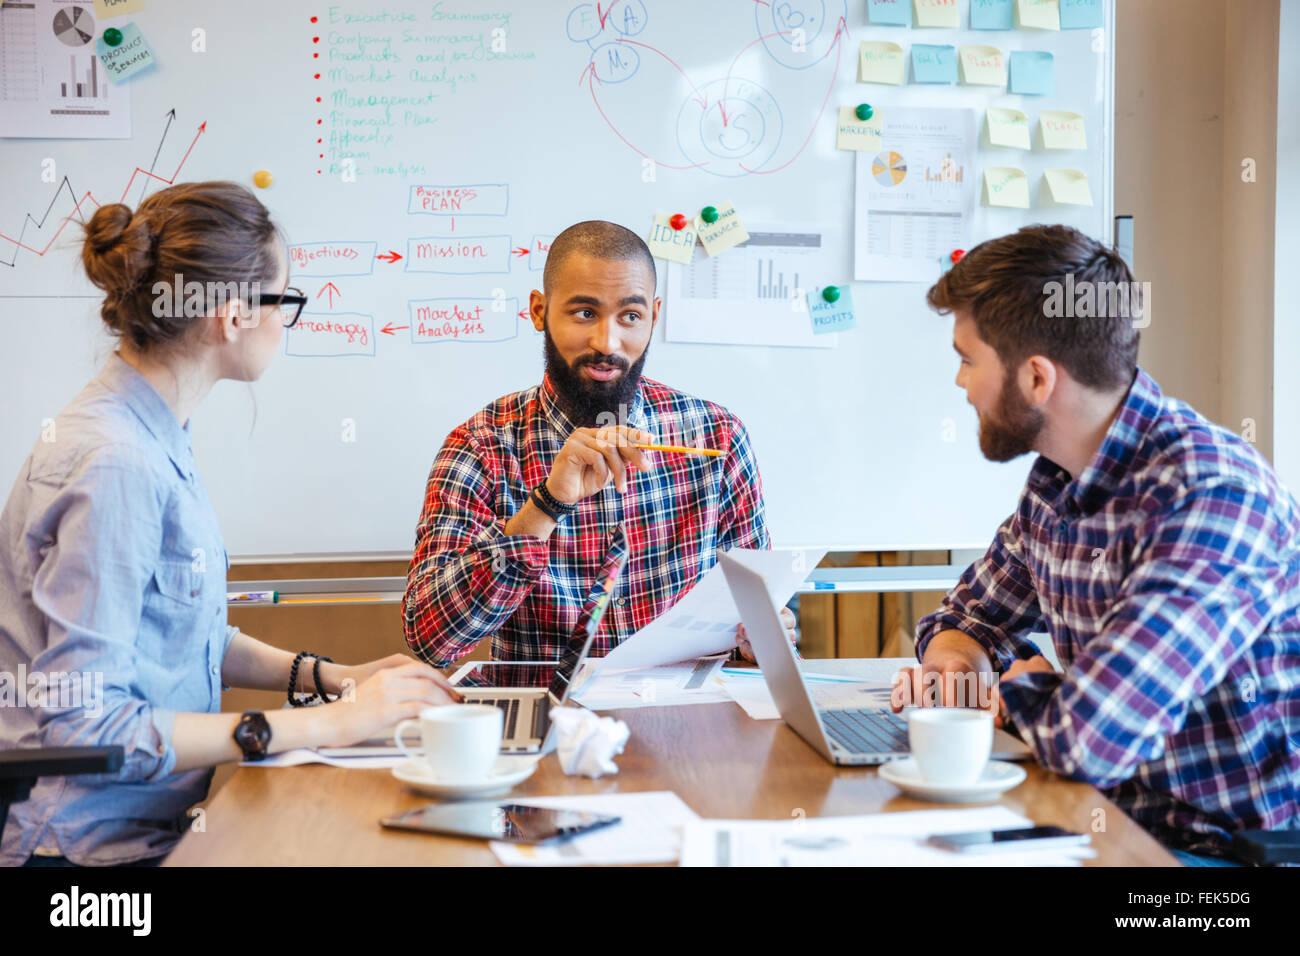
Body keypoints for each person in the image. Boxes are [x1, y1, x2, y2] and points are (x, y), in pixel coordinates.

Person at [0, 182, 459, 867]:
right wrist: (329, 725)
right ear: (231, 316)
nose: (286, 322)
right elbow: (88, 723)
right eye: (285, 301)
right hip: (83, 858)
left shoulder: (147, 431)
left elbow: (179, 635)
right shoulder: (116, 461)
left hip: (135, 830)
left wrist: (335, 678)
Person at [891, 223, 1300, 864]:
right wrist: (959, 657)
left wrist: (1021, 688)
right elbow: (970, 617)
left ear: (1036, 379)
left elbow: (1089, 741)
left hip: (1214, 857)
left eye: (968, 359)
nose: (960, 384)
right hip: (1096, 817)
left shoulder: (1211, 495)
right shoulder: (1057, 479)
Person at [403, 220, 795, 665]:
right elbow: (431, 641)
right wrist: (545, 505)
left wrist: (762, 637)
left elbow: (759, 623)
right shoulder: (482, 447)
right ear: (538, 311)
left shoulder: (716, 437)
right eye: (584, 313)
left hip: (690, 717)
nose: (607, 343)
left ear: (654, 315)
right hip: (549, 725)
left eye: (630, 315)